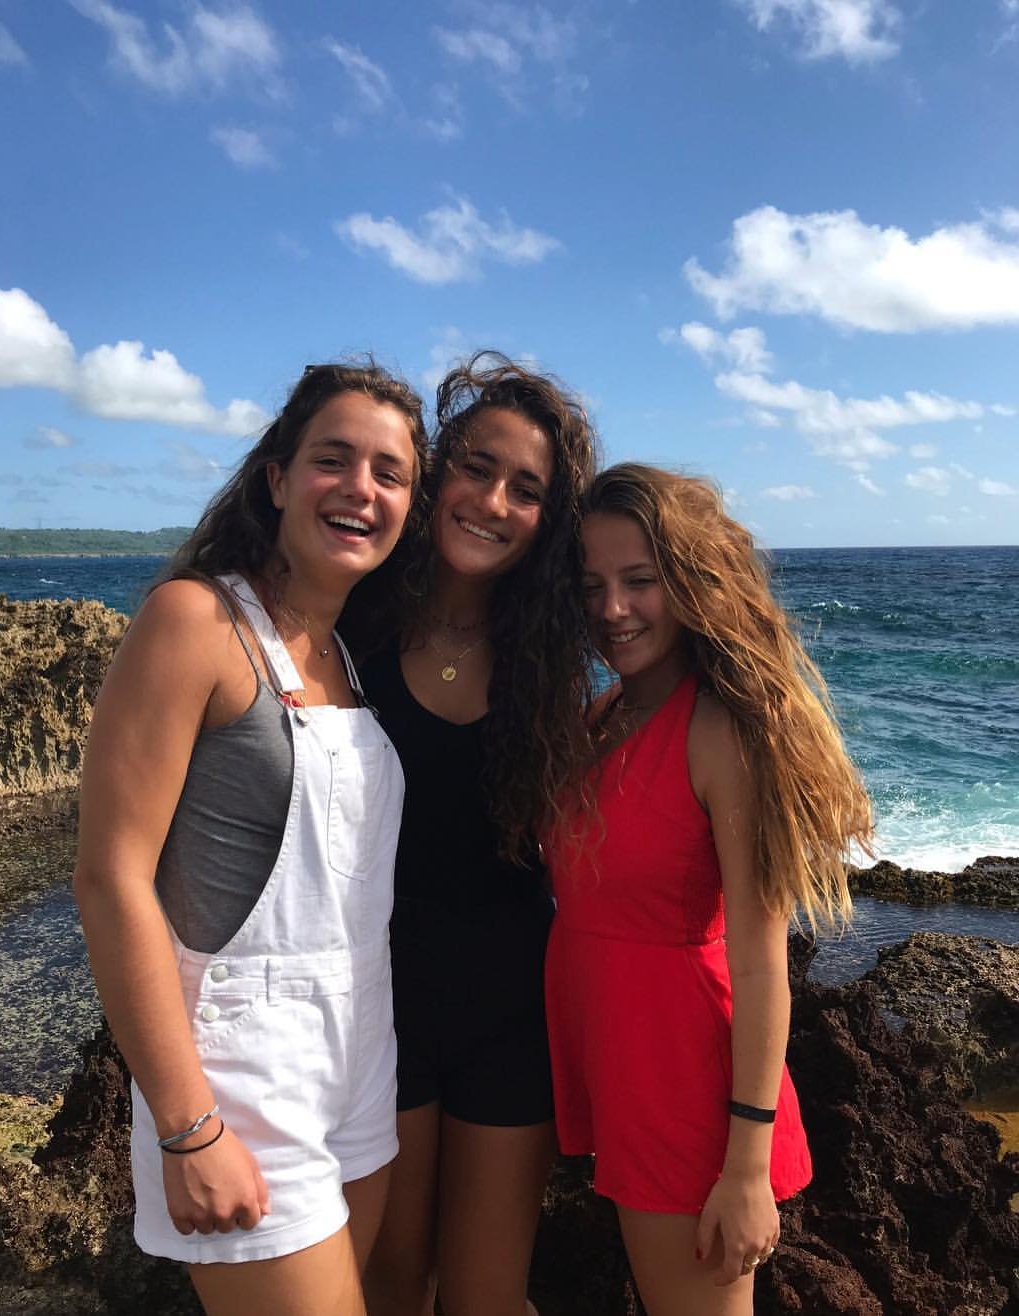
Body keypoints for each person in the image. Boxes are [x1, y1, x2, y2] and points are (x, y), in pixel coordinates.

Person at [73, 361, 428, 1316]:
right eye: (332, 459)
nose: (360, 489)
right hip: (240, 1070)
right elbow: (111, 879)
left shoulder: (349, 652)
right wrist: (187, 1126)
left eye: (390, 474)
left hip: (361, 1053)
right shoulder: (195, 620)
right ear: (277, 479)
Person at [544, 463, 872, 1316]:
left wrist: (746, 1168)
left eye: (640, 580)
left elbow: (760, 964)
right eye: (592, 586)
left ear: (693, 581)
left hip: (685, 1089)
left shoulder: (720, 731)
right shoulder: (601, 718)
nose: (613, 608)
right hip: (620, 1067)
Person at [342, 352, 598, 1316]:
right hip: (379, 1006)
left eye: (526, 490)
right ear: (437, 469)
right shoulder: (352, 624)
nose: (493, 502)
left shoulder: (550, 661)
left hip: (512, 1010)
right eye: (477, 468)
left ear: (547, 521)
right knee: (393, 1281)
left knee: (489, 1295)